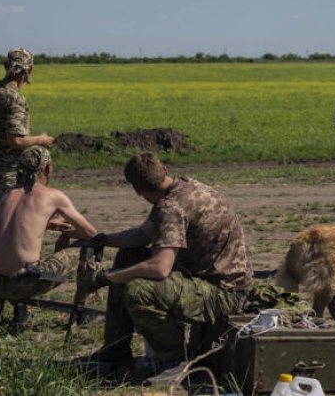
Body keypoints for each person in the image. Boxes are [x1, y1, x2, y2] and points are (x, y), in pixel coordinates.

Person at [79, 151, 253, 378]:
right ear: (165, 171)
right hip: (215, 281)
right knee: (128, 257)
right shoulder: (183, 188)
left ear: (137, 190)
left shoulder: (170, 207)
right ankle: (115, 352)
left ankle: (175, 360)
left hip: (223, 294)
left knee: (139, 291)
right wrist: (104, 239)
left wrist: (106, 277)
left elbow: (160, 268)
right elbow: (143, 235)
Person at [0, 48, 56, 301]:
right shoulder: (15, 98)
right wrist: (42, 140)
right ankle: (11, 286)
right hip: (9, 171)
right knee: (12, 227)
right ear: (29, 69)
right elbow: (16, 140)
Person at [0, 146, 98, 302]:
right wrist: (66, 233)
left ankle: (22, 312)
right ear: (47, 168)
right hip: (26, 283)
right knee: (91, 245)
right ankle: (84, 307)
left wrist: (51, 224)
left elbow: (19, 224)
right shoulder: (53, 196)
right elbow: (91, 233)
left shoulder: (7, 193)